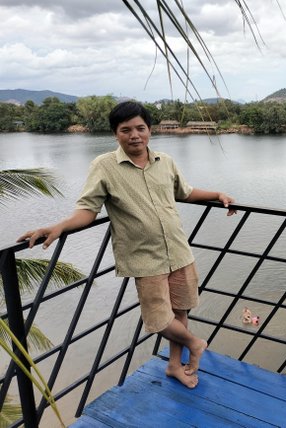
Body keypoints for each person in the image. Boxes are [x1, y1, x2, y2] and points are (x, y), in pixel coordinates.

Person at [18, 101, 237, 389]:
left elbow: (184, 192)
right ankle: (196, 344)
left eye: (140, 128)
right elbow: (87, 210)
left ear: (149, 130)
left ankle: (174, 365)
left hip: (178, 250)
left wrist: (218, 194)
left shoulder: (165, 162)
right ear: (115, 134)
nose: (134, 135)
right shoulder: (104, 166)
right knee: (160, 319)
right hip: (144, 258)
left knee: (181, 310)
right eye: (126, 130)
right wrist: (58, 226)